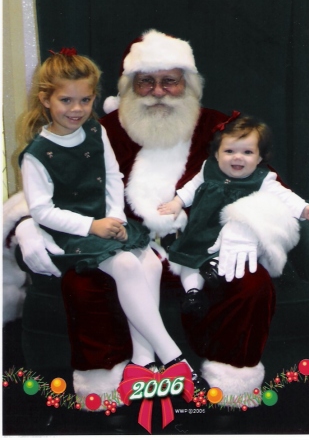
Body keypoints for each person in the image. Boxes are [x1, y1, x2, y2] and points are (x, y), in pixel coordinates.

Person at [4, 30, 301, 407]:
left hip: (202, 250)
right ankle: (105, 390)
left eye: (170, 82)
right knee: (83, 285)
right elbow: (55, 185)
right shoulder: (103, 131)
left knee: (250, 283)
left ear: (188, 85)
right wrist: (28, 225)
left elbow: (270, 184)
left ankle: (231, 389)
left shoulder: (219, 129)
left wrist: (245, 226)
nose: (158, 91)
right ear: (129, 87)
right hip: (123, 246)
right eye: (146, 82)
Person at [18, 49, 206, 393]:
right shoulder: (35, 154)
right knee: (125, 264)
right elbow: (42, 211)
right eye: (66, 100)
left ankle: (142, 360)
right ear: (46, 99)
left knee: (149, 262)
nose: (77, 109)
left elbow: (113, 176)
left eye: (85, 99)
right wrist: (92, 227)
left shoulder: (95, 130)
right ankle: (173, 358)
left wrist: (115, 218)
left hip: (106, 221)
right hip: (68, 232)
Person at [158, 111, 309, 311]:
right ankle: (192, 293)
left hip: (234, 236)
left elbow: (284, 196)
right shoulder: (208, 169)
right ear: (217, 154)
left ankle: (214, 268)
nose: (238, 157)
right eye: (230, 151)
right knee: (188, 260)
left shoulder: (263, 179)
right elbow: (190, 188)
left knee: (226, 255)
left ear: (260, 157)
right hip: (201, 229)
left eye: (247, 152)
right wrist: (176, 203)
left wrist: (304, 209)